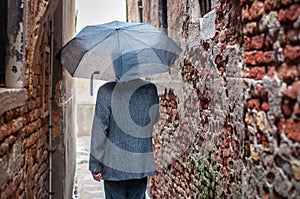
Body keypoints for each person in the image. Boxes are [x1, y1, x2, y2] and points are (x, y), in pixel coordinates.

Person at [89, 78, 160, 199]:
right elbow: (154, 119)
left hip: (113, 166)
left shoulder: (106, 91)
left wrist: (96, 165)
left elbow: (100, 132)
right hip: (139, 163)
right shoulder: (150, 89)